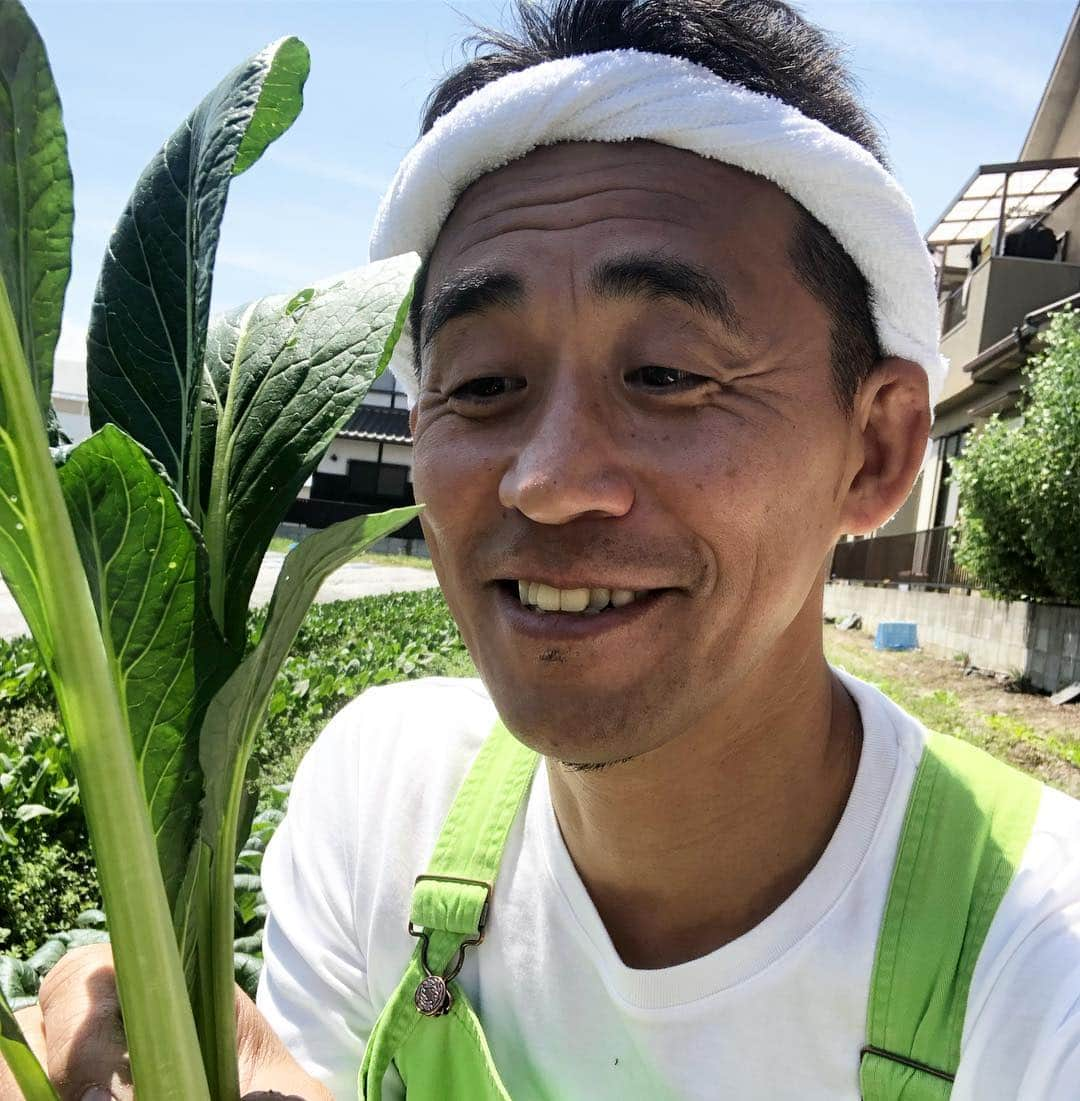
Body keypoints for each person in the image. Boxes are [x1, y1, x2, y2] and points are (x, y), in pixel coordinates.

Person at [5, 2, 1079, 1099]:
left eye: (666, 374)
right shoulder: (381, 802)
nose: (548, 480)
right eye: (480, 385)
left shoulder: (1047, 974)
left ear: (878, 447)